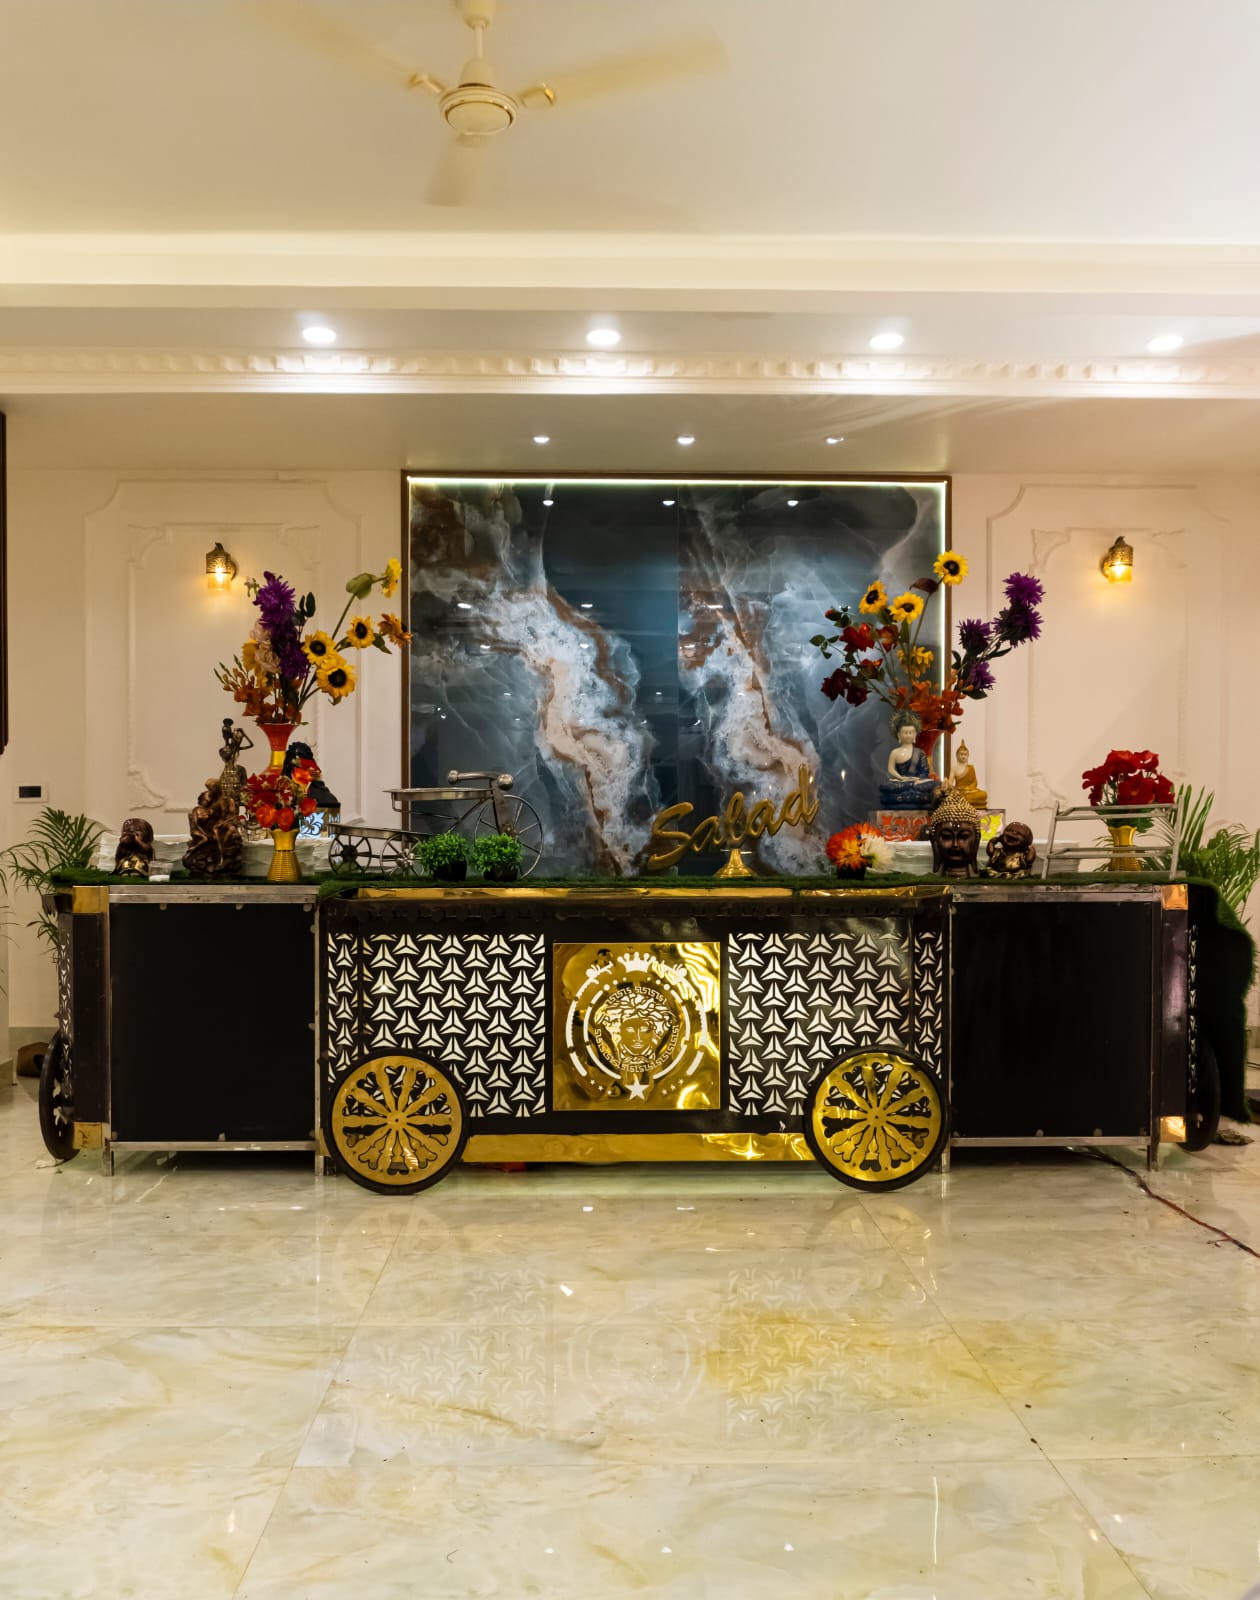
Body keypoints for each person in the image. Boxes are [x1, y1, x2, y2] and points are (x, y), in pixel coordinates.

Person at [878, 712, 941, 808]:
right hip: (900, 782)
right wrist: (901, 778)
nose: (908, 735)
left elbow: (924, 771)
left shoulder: (919, 752)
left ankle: (905, 797)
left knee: (935, 784)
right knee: (886, 785)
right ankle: (913, 796)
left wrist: (917, 779)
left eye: (910, 732)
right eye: (905, 732)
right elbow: (891, 769)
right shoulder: (895, 752)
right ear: (899, 735)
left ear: (915, 735)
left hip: (918, 782)